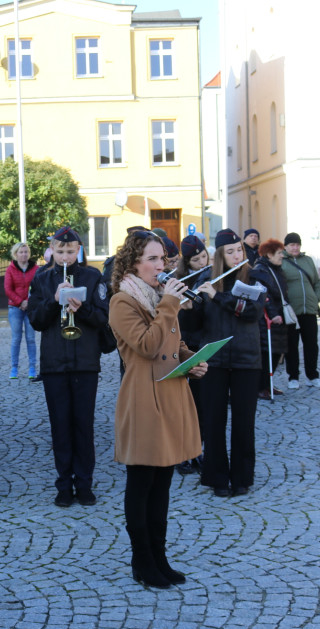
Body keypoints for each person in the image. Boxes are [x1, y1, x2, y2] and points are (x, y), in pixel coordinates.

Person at [108, 229, 206, 589]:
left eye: (162, 258)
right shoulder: (123, 301)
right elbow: (148, 346)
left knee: (163, 483)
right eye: (151, 258)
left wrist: (191, 359)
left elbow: (173, 343)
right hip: (144, 398)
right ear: (134, 263)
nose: (160, 265)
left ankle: (160, 556)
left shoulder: (158, 297)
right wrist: (169, 303)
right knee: (142, 483)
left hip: (171, 391)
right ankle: (142, 560)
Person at [27, 226, 109, 507]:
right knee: (60, 426)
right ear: (52, 251)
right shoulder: (42, 278)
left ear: (79, 251)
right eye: (60, 252)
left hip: (86, 362)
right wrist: (54, 301)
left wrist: (81, 308)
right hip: (54, 363)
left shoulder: (93, 276)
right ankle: (64, 484)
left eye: (70, 252)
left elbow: (102, 318)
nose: (65, 257)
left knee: (83, 426)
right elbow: (35, 321)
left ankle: (84, 483)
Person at [186, 229, 264, 498]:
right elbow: (193, 326)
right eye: (230, 252)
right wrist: (189, 306)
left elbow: (251, 311)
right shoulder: (205, 279)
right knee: (213, 421)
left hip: (246, 359)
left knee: (244, 422)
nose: (236, 255)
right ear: (219, 255)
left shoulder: (254, 277)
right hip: (214, 360)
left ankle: (242, 478)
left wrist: (217, 297)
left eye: (239, 250)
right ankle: (217, 477)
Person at [172, 235, 210, 475]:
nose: (202, 262)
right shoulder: (178, 280)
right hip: (184, 347)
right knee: (184, 404)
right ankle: (182, 453)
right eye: (196, 259)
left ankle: (199, 449)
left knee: (202, 404)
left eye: (204, 256)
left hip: (204, 345)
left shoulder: (212, 277)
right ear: (187, 261)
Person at [281, 233, 320, 389]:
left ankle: (312, 376)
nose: (295, 247)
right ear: (285, 246)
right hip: (291, 312)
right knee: (291, 345)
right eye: (292, 245)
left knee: (312, 344)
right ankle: (293, 377)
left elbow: (316, 282)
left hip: (309, 310)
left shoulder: (308, 261)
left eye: (297, 244)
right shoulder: (282, 262)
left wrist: (316, 297)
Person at [249, 239, 290, 400]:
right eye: (279, 253)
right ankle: (262, 386)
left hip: (279, 318)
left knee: (276, 353)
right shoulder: (261, 270)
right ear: (269, 254)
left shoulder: (276, 269)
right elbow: (264, 296)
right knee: (268, 354)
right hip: (267, 320)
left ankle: (268, 384)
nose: (282, 256)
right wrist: (273, 314)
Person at [3, 242, 38, 379]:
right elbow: (8, 289)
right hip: (15, 308)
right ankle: (14, 369)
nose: (23, 254)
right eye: (21, 252)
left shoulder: (35, 269)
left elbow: (38, 288)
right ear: (15, 254)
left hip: (30, 308)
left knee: (31, 338)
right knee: (16, 339)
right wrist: (20, 302)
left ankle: (32, 369)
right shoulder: (10, 269)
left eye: (25, 252)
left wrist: (29, 302)